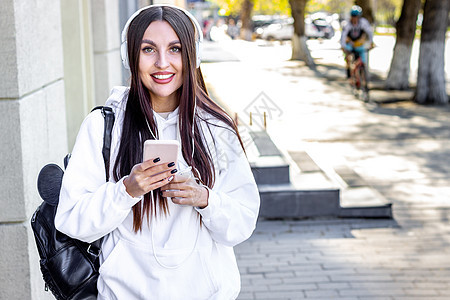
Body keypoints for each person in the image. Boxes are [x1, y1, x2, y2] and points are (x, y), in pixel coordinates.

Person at [55, 4, 260, 300]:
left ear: (193, 55)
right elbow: (73, 221)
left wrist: (205, 199)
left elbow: (242, 223)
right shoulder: (103, 126)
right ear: (131, 57)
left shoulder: (216, 128)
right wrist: (125, 190)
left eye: (175, 48)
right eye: (149, 50)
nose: (163, 63)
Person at [340, 5, 374, 79]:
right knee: (348, 56)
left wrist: (371, 43)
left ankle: (362, 75)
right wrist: (343, 46)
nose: (354, 18)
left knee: (363, 60)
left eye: (356, 16)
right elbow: (343, 36)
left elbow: (369, 32)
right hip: (350, 44)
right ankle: (349, 70)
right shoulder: (347, 24)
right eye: (353, 16)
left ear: (359, 17)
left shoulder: (363, 23)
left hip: (359, 45)